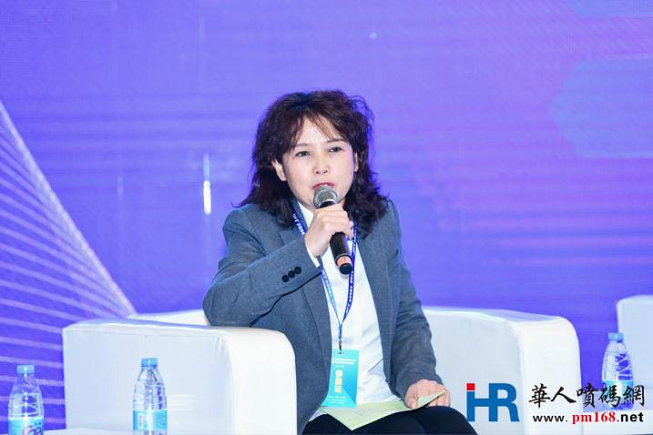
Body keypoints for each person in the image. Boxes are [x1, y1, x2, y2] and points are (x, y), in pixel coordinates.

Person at [203, 90, 476, 434]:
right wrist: (305, 249)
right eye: (303, 153)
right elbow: (222, 308)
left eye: (334, 149)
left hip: (383, 400)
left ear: (356, 158)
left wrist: (418, 375)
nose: (321, 165)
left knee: (451, 426)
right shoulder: (254, 225)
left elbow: (405, 315)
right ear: (279, 167)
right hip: (315, 413)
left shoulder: (380, 219)